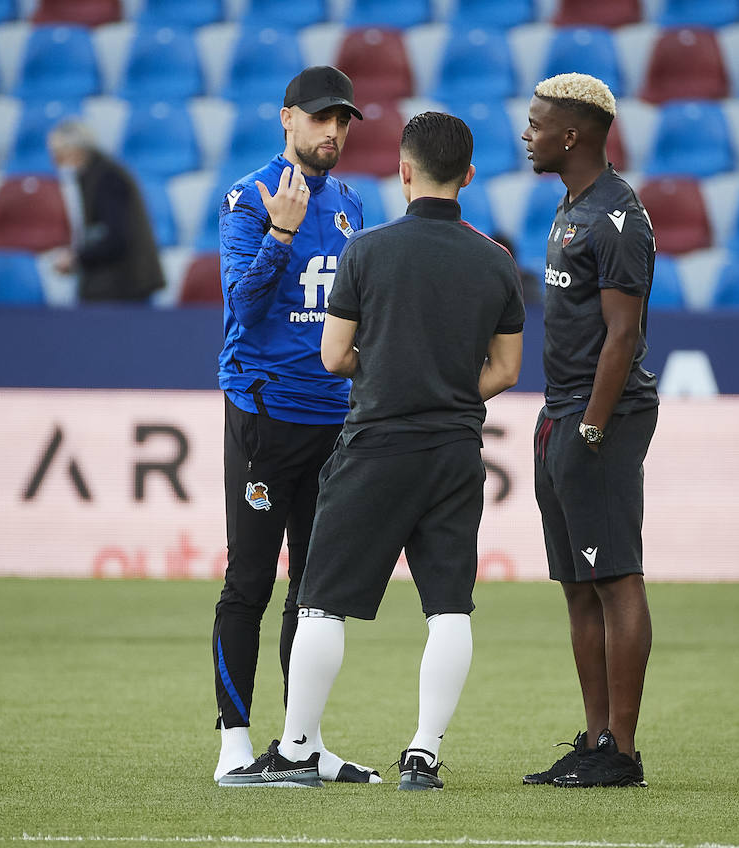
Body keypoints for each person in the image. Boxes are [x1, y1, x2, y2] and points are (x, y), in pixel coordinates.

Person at [220, 112, 525, 791]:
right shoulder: (497, 261)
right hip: (454, 447)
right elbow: (506, 369)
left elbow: (334, 356)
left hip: (376, 444)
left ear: (404, 171)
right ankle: (423, 753)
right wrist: (446, 388)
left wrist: (394, 378)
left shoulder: (368, 250)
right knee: (449, 607)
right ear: (469, 176)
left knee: (320, 600)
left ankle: (297, 749)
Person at [209, 66, 375, 785]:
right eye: (319, 117)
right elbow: (243, 307)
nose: (332, 131)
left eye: (342, 120)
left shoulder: (351, 204)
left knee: (315, 594)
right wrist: (280, 231)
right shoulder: (248, 198)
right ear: (287, 118)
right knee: (249, 583)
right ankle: (234, 746)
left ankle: (301, 744)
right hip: (265, 415)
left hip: (334, 420)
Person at [518, 73, 659, 789]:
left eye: (537, 123)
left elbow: (622, 335)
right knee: (578, 583)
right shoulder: (570, 206)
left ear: (570, 135)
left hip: (601, 416)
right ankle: (595, 738)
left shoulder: (617, 217)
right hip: (561, 411)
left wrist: (594, 429)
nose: (527, 133)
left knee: (615, 578)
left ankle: (622, 753)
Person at [47, 120, 165, 303]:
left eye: (59, 153)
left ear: (76, 150)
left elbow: (115, 236)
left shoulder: (107, 178)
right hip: (119, 281)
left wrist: (76, 258)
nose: (55, 161)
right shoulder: (97, 173)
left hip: (123, 285)